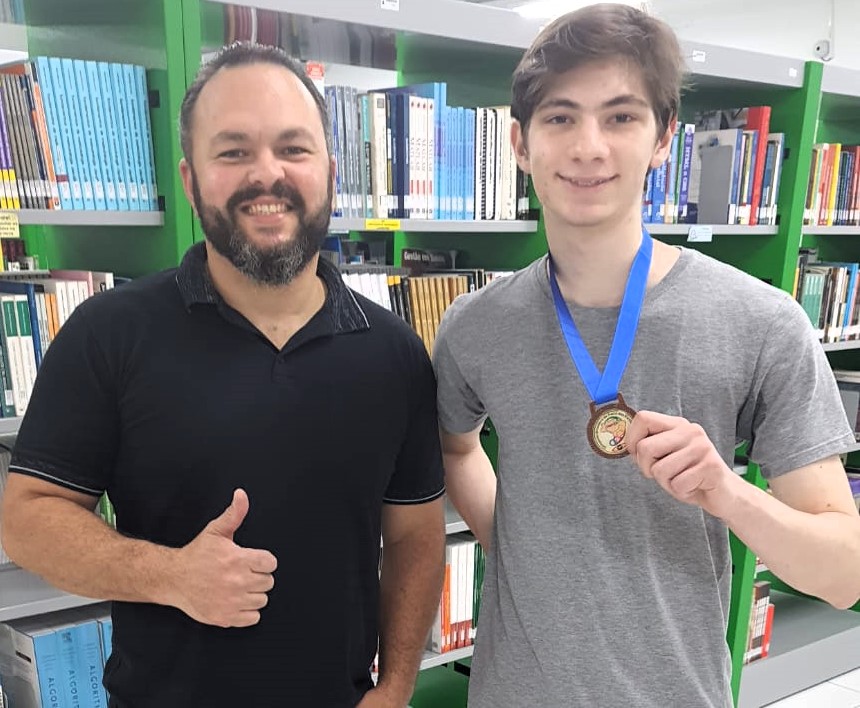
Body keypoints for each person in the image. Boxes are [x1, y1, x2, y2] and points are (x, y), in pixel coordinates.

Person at [433, 5, 860, 707]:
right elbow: (455, 449)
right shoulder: (475, 327)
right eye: (561, 117)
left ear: (664, 139)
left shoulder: (763, 323)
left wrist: (726, 492)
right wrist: (516, 544)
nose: (588, 146)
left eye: (621, 117)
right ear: (519, 142)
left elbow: (843, 576)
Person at [1, 42, 446, 708]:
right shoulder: (109, 333)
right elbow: (27, 518)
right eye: (233, 151)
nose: (266, 175)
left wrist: (399, 685)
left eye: (293, 149)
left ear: (328, 170)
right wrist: (170, 574)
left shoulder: (395, 354)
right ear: (189, 179)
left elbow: (414, 534)